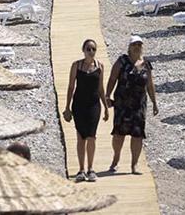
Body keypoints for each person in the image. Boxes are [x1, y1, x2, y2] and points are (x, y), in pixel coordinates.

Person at [105, 35, 157, 174]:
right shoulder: (122, 61)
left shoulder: (146, 64)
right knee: (118, 133)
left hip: (139, 104)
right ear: (129, 47)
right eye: (134, 44)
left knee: (138, 134)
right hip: (122, 103)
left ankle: (134, 165)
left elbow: (150, 85)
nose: (137, 47)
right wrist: (107, 95)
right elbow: (112, 78)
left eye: (139, 45)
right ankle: (115, 161)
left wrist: (154, 102)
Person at [64, 39, 108, 182]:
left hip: (94, 105)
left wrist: (106, 108)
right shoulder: (76, 66)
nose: (91, 52)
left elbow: (101, 89)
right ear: (83, 50)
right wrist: (67, 108)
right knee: (81, 137)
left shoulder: (100, 67)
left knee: (92, 136)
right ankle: (81, 169)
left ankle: (91, 169)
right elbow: (71, 87)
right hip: (79, 105)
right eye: (88, 49)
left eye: (93, 49)